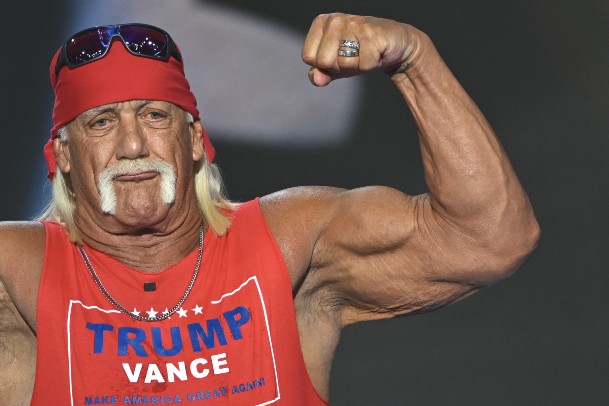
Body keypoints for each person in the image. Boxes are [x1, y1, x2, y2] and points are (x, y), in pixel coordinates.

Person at [0, 13, 539, 405]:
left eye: (155, 116)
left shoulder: (288, 243)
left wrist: (415, 61)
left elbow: (490, 240)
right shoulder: (18, 271)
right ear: (63, 156)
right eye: (101, 123)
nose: (133, 145)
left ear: (195, 140)